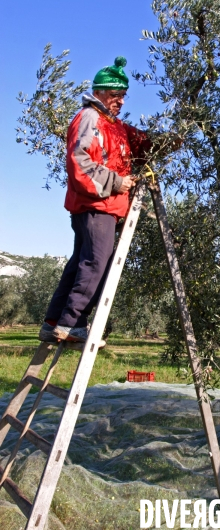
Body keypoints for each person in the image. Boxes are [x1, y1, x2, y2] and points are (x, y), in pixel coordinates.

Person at [39, 56, 153, 345]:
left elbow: (141, 144)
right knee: (96, 264)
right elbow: (79, 161)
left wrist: (171, 140)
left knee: (80, 264)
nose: (122, 101)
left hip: (102, 208)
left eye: (124, 96)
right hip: (95, 206)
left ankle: (53, 322)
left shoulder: (114, 125)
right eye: (116, 95)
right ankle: (72, 324)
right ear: (100, 93)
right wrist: (117, 182)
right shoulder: (89, 118)